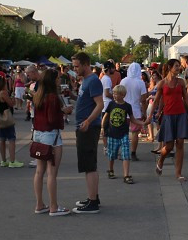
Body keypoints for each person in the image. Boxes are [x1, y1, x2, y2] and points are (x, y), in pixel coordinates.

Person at [32, 69, 72, 216]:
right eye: (58, 78)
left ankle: (39, 204)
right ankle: (54, 206)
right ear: (53, 80)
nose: (59, 81)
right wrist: (64, 111)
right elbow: (52, 119)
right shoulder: (53, 97)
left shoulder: (38, 96)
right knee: (52, 173)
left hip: (38, 134)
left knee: (39, 171)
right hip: (51, 135)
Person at [153, 58, 188, 182]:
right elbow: (157, 100)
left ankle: (178, 173)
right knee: (168, 147)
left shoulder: (181, 82)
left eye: (179, 66)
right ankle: (161, 159)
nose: (179, 68)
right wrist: (152, 115)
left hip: (181, 115)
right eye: (176, 66)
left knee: (180, 144)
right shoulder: (162, 83)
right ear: (170, 67)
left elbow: (187, 100)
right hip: (168, 116)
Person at [72, 51, 105, 211]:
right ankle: (92, 197)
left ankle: (93, 202)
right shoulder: (86, 80)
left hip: (89, 127)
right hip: (85, 126)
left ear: (86, 64)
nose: (75, 69)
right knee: (87, 164)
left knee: (89, 164)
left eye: (77, 66)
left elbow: (100, 104)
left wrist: (88, 121)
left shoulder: (92, 81)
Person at [104, 84, 142, 183]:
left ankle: (126, 175)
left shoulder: (127, 106)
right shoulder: (111, 104)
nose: (114, 95)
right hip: (112, 133)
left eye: (116, 94)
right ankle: (111, 169)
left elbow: (132, 119)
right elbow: (106, 116)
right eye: (114, 93)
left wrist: (143, 123)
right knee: (112, 154)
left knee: (126, 154)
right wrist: (102, 128)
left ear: (123, 95)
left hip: (123, 133)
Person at [0, 75, 23, 169]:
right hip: (6, 117)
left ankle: (3, 160)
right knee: (11, 139)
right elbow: (11, 104)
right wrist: (12, 97)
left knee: (2, 139)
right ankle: (12, 160)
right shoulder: (3, 93)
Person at [120, 62, 148, 160]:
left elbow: (119, 95)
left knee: (123, 132)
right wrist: (144, 112)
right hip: (135, 110)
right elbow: (144, 99)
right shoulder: (141, 82)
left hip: (123, 109)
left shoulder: (123, 81)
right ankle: (133, 153)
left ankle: (124, 152)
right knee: (135, 133)